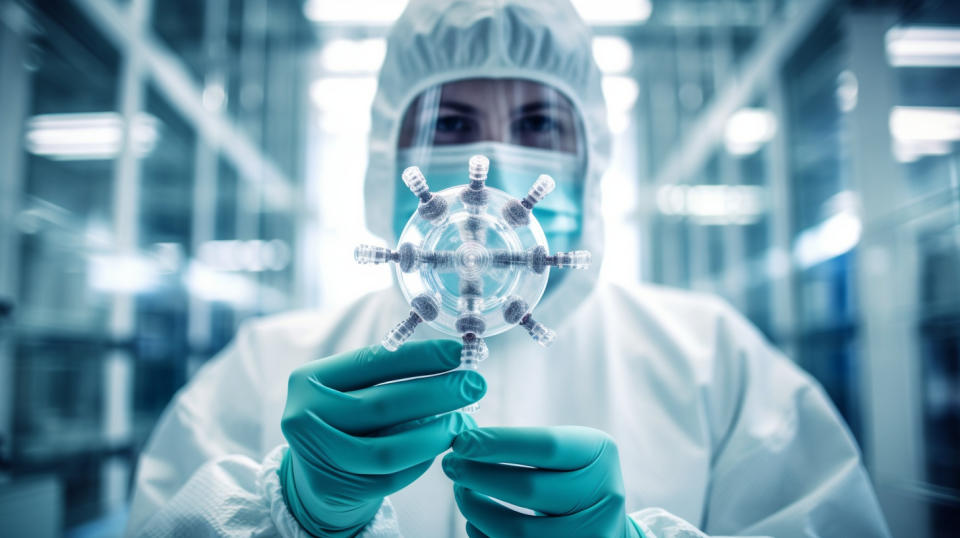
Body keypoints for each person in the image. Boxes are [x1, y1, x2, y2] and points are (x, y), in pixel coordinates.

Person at [125, 0, 891, 536]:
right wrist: (293, 516)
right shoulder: (264, 369)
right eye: (451, 124)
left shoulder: (714, 362)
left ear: (590, 162)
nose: (488, 161)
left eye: (538, 123)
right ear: (385, 161)